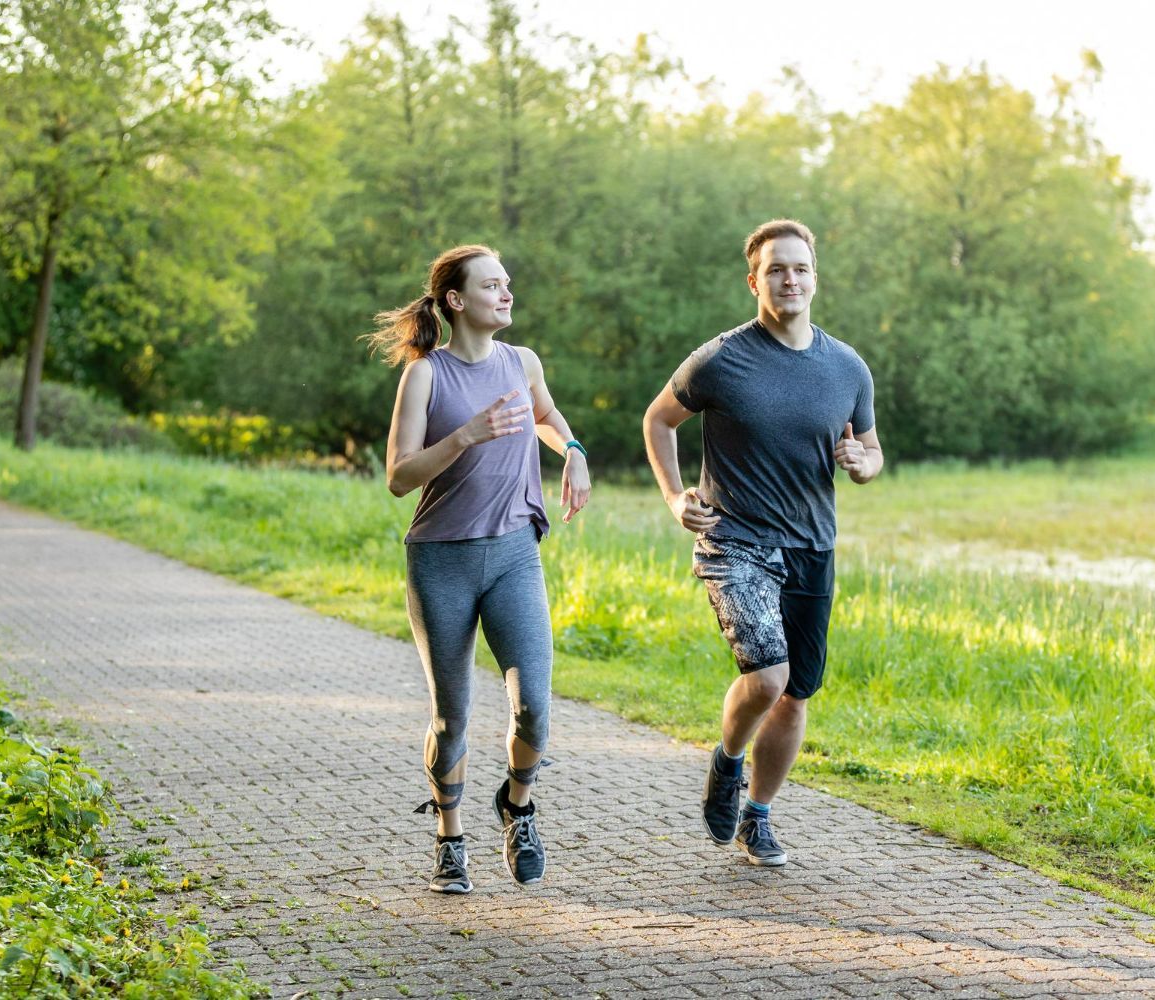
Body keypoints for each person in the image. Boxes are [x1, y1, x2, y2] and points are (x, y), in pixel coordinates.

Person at [642, 219, 883, 867]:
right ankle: (727, 761)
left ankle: (759, 815)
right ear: (756, 281)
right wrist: (673, 496)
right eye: (777, 269)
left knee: (796, 693)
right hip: (735, 540)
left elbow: (871, 447)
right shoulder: (721, 359)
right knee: (768, 675)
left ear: (815, 278)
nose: (791, 278)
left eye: (801, 268)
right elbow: (658, 419)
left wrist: (863, 462)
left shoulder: (847, 366)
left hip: (811, 546)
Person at [372, 244, 590, 893]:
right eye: (493, 286)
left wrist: (573, 450)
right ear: (456, 300)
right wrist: (467, 434)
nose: (507, 293)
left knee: (535, 713)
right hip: (441, 560)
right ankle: (449, 837)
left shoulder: (522, 363)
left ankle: (517, 807)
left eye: (508, 284)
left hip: (514, 553)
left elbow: (547, 417)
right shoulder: (426, 376)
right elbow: (397, 477)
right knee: (452, 718)